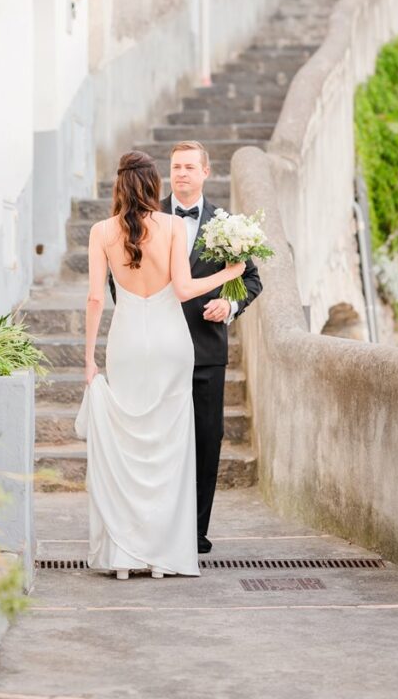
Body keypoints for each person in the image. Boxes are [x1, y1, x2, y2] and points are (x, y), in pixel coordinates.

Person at [75, 150, 245, 580]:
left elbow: (96, 299)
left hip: (127, 343)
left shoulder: (100, 231)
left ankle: (124, 557)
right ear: (154, 185)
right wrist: (229, 273)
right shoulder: (170, 225)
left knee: (130, 444)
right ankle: (163, 556)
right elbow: (185, 289)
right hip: (173, 344)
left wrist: (88, 360)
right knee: (169, 448)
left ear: (118, 185)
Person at [161, 140, 263, 553]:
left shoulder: (227, 223)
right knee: (162, 438)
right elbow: (121, 277)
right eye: (175, 167)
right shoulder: (149, 217)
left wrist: (230, 303)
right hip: (161, 350)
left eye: (189, 167)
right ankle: (162, 527)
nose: (181, 173)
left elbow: (251, 279)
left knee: (208, 438)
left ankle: (195, 531)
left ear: (205, 171)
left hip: (207, 351)